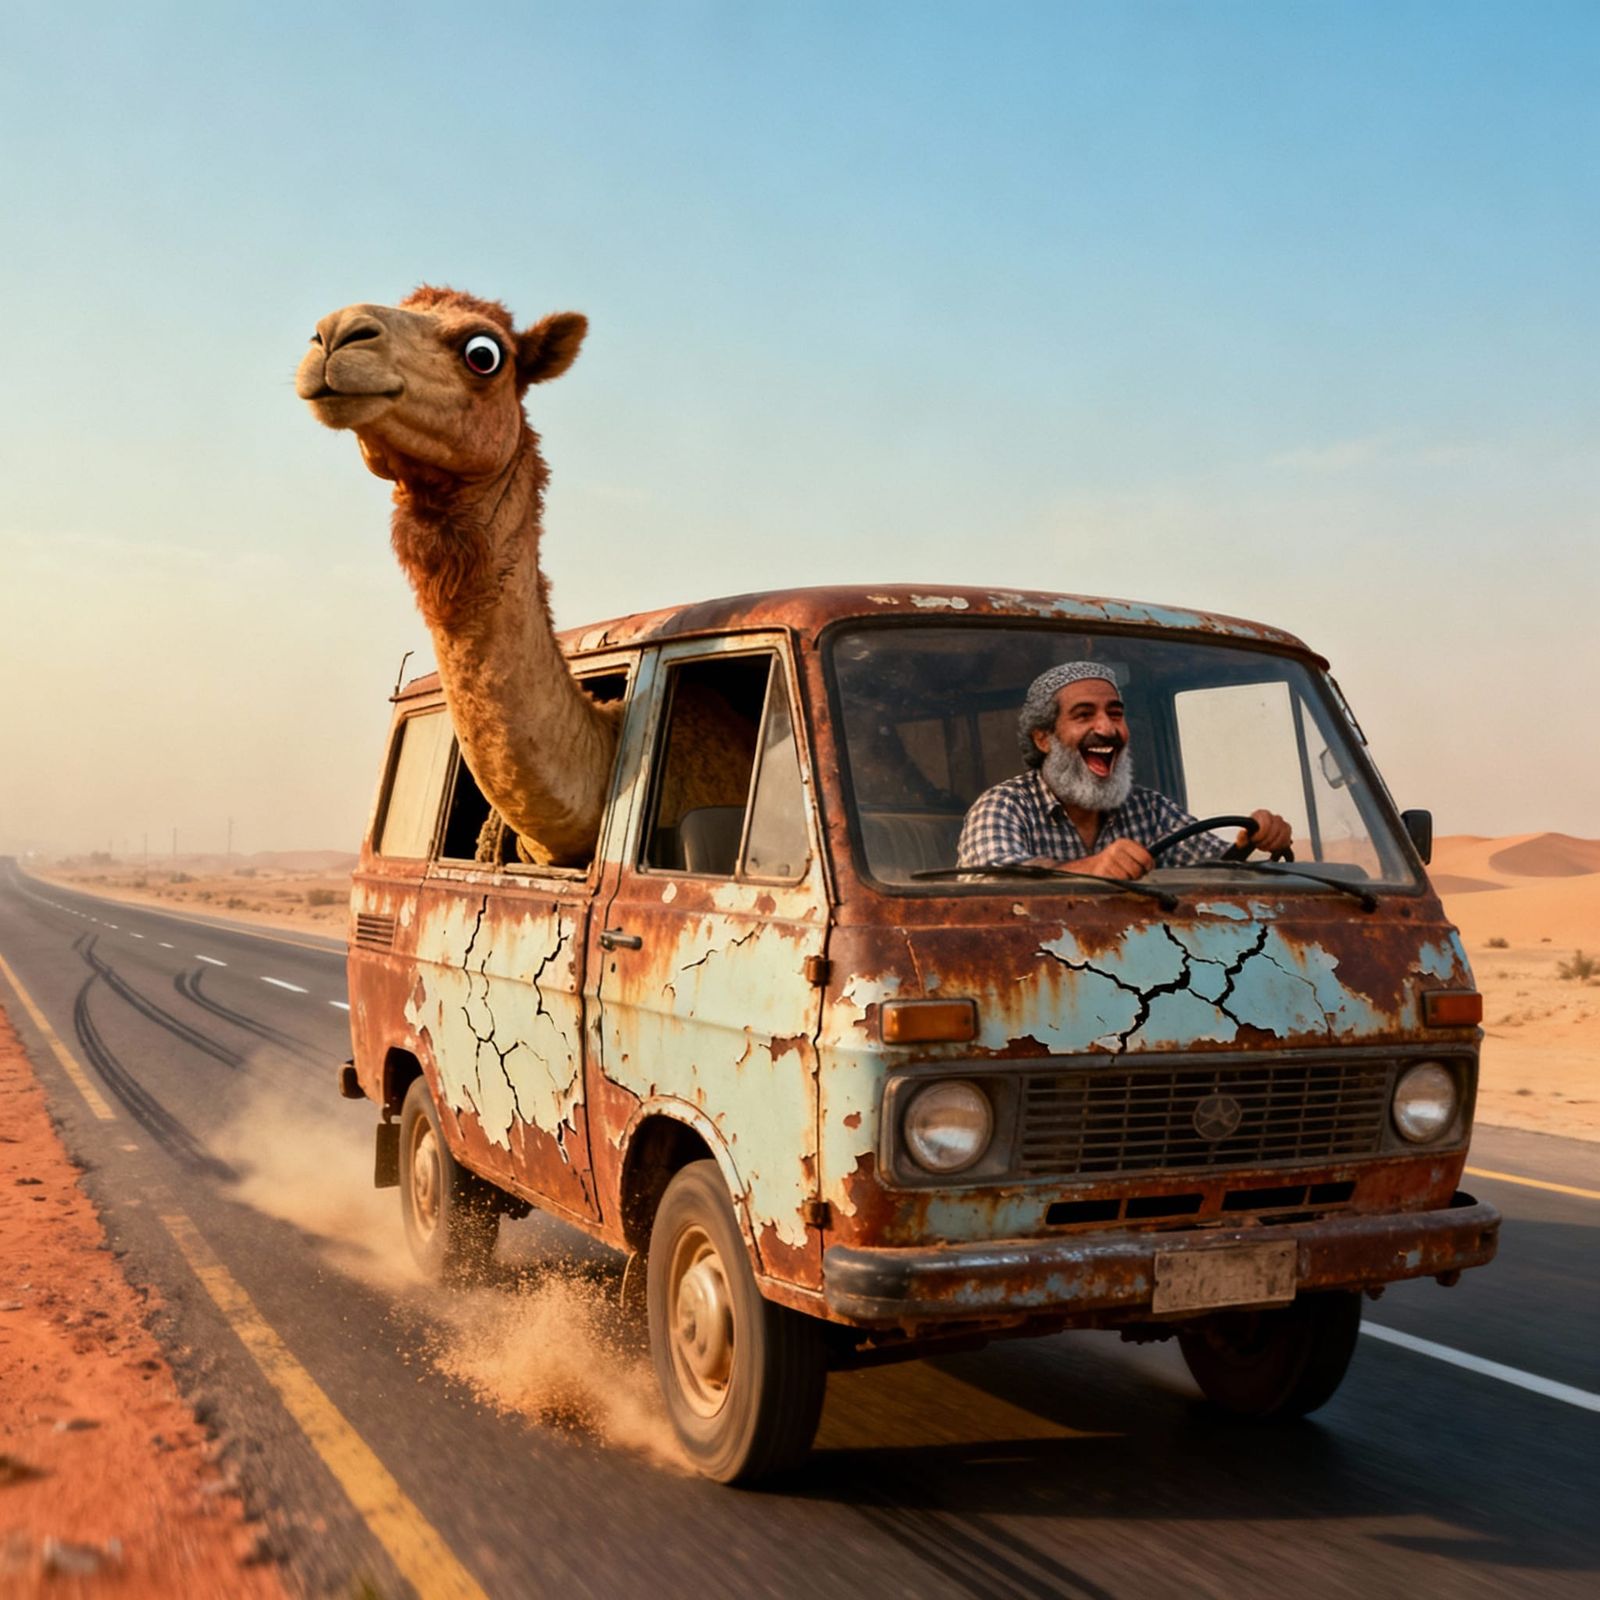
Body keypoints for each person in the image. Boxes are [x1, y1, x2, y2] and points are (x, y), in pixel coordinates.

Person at [956, 661, 1292, 879]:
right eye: (1084, 715)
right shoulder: (1004, 806)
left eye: (1115, 714)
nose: (1107, 728)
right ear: (1044, 739)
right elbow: (990, 885)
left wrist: (1251, 842)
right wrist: (1092, 869)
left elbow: (1214, 874)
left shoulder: (1149, 809)